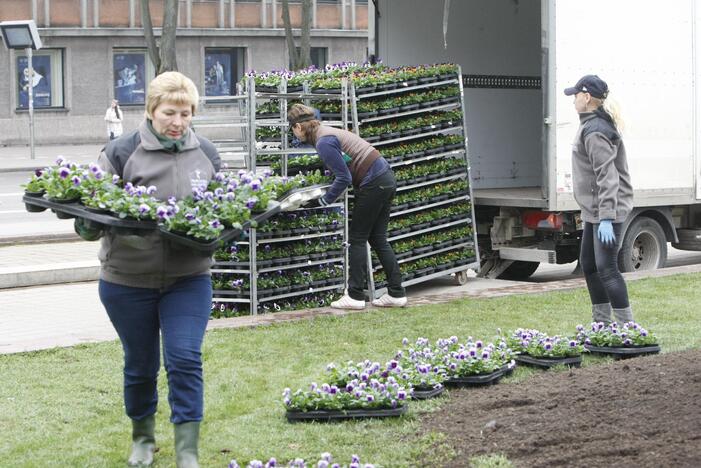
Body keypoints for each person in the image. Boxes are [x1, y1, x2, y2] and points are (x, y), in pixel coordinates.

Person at [78, 71, 221, 467]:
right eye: (169, 113)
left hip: (189, 278)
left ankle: (187, 449)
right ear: (151, 111)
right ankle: (142, 439)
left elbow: (226, 209)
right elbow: (89, 213)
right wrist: (89, 221)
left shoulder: (206, 154)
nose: (177, 122)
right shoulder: (121, 152)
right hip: (127, 280)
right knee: (140, 364)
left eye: (186, 114)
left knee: (184, 358)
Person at [287, 103, 407, 309]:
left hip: (374, 182)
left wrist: (323, 201)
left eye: (292, 130)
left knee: (357, 239)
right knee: (378, 238)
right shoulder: (327, 133)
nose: (294, 134)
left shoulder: (323, 141)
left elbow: (344, 177)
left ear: (298, 127)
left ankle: (355, 296)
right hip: (385, 178)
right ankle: (396, 293)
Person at [564, 75, 634, 325]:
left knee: (607, 269)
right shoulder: (589, 124)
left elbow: (608, 176)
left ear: (587, 97)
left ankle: (628, 329)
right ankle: (602, 325)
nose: (573, 100)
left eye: (575, 95)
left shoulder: (595, 131)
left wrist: (606, 217)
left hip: (607, 210)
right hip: (594, 210)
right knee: (589, 265)